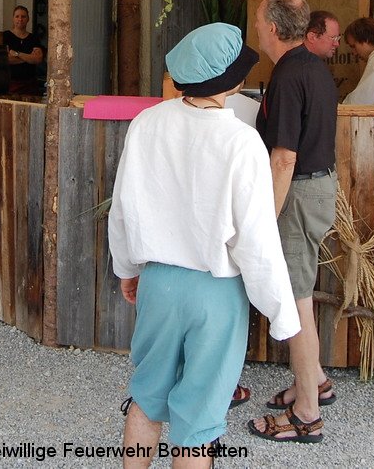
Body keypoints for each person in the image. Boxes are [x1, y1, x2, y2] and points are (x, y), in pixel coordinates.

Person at [109, 23, 299, 467]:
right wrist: (281, 312)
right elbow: (256, 239)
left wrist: (127, 269)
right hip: (216, 292)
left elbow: (124, 207)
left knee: (146, 398)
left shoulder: (147, 123)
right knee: (199, 421)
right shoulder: (242, 142)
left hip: (158, 283)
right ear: (231, 81)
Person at [247, 0, 338, 444]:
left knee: (296, 301)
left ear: (272, 28)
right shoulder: (312, 66)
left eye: (258, 18)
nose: (255, 25)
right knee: (298, 291)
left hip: (297, 193)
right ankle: (315, 381)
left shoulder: (287, 75)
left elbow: (283, 158)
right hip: (317, 188)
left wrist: (265, 216)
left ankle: (306, 414)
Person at [4, 5, 44, 96]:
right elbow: (7, 59)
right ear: (13, 18)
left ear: (28, 19)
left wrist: (17, 54)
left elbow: (38, 59)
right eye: (17, 16)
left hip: (30, 85)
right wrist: (29, 58)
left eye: (23, 16)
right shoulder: (6, 36)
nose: (20, 19)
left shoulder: (33, 38)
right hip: (11, 84)